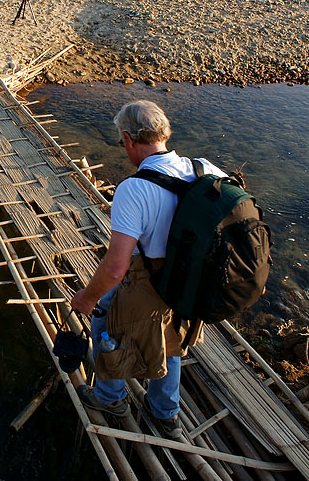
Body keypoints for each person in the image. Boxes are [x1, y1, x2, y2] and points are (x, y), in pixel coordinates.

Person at [70, 100, 227, 439]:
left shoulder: (134, 189)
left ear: (128, 139)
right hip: (193, 284)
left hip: (152, 281)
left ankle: (110, 398)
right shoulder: (205, 169)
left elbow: (116, 267)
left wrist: (86, 297)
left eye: (121, 142)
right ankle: (165, 413)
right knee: (171, 337)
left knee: (103, 316)